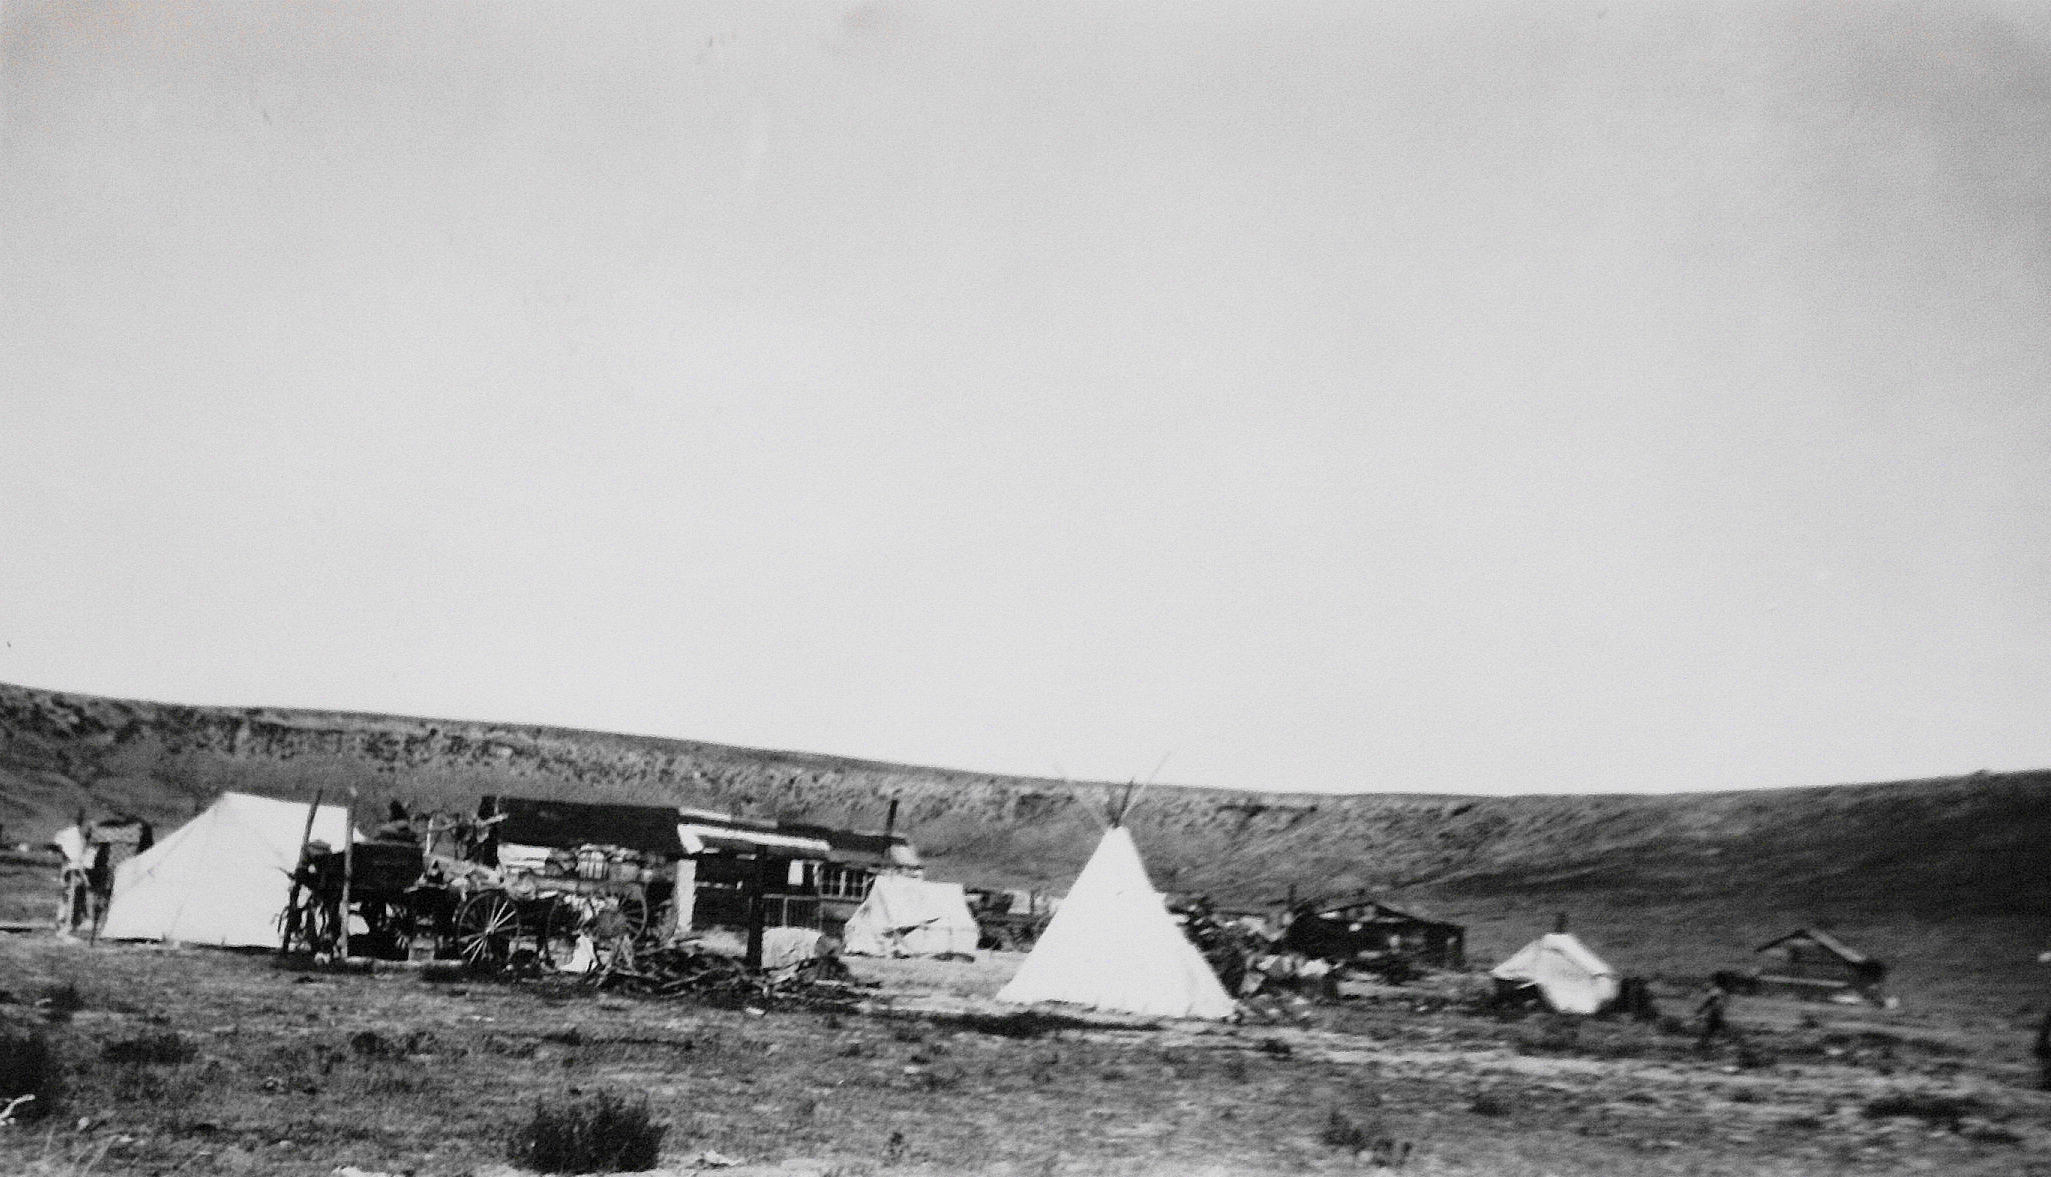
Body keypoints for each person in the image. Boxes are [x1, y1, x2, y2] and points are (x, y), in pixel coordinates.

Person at [1694, 981, 1731, 1052]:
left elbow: (1709, 1001)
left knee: (1712, 1028)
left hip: (1715, 1013)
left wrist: (1700, 1010)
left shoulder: (1715, 991)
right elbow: (1722, 1002)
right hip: (1718, 1012)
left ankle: (1703, 1044)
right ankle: (1704, 1043)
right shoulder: (1722, 991)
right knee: (1714, 1028)